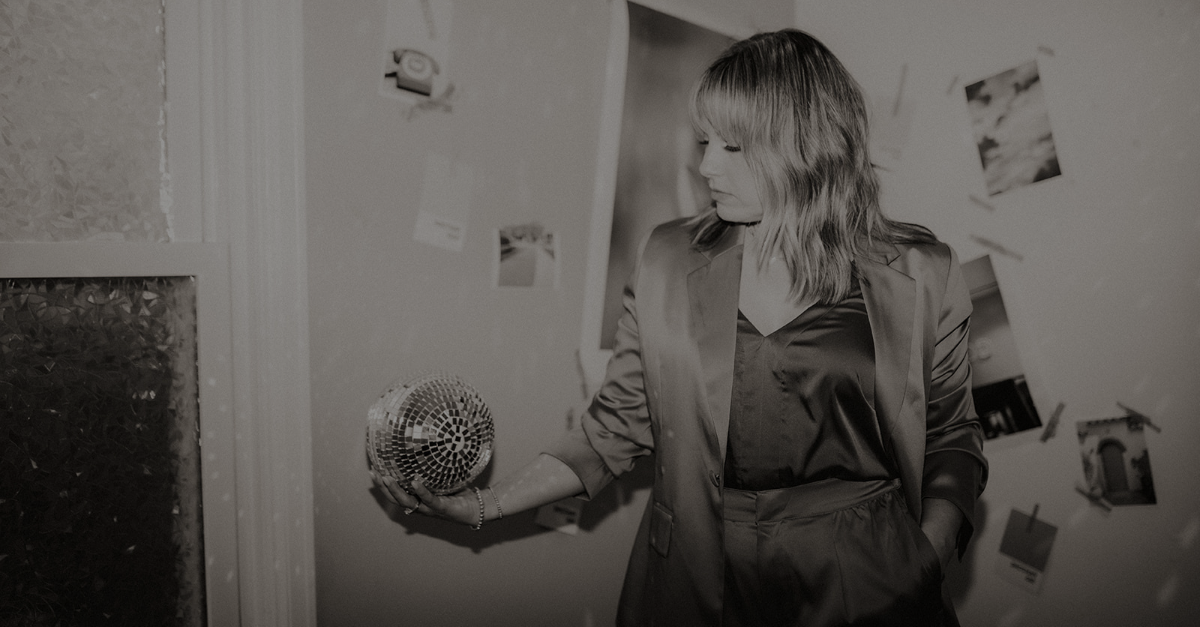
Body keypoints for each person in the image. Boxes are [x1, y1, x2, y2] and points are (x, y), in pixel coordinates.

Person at [375, 28, 987, 627]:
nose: (704, 165)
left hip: (867, 579)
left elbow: (953, 440)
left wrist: (922, 562)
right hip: (696, 578)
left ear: (803, 148)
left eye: (732, 147)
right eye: (704, 141)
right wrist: (484, 504)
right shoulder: (669, 257)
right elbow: (612, 429)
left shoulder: (921, 274)